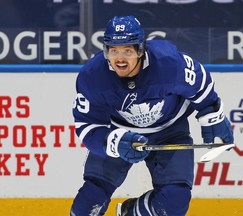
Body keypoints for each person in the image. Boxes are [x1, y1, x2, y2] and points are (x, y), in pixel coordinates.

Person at [70, 15, 234, 216]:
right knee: (88, 203)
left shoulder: (168, 63)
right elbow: (86, 125)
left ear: (140, 49)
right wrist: (113, 141)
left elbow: (200, 83)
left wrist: (212, 114)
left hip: (170, 131)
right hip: (120, 130)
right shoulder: (92, 75)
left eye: (127, 51)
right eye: (113, 50)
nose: (120, 58)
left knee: (174, 203)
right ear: (106, 51)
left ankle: (130, 212)